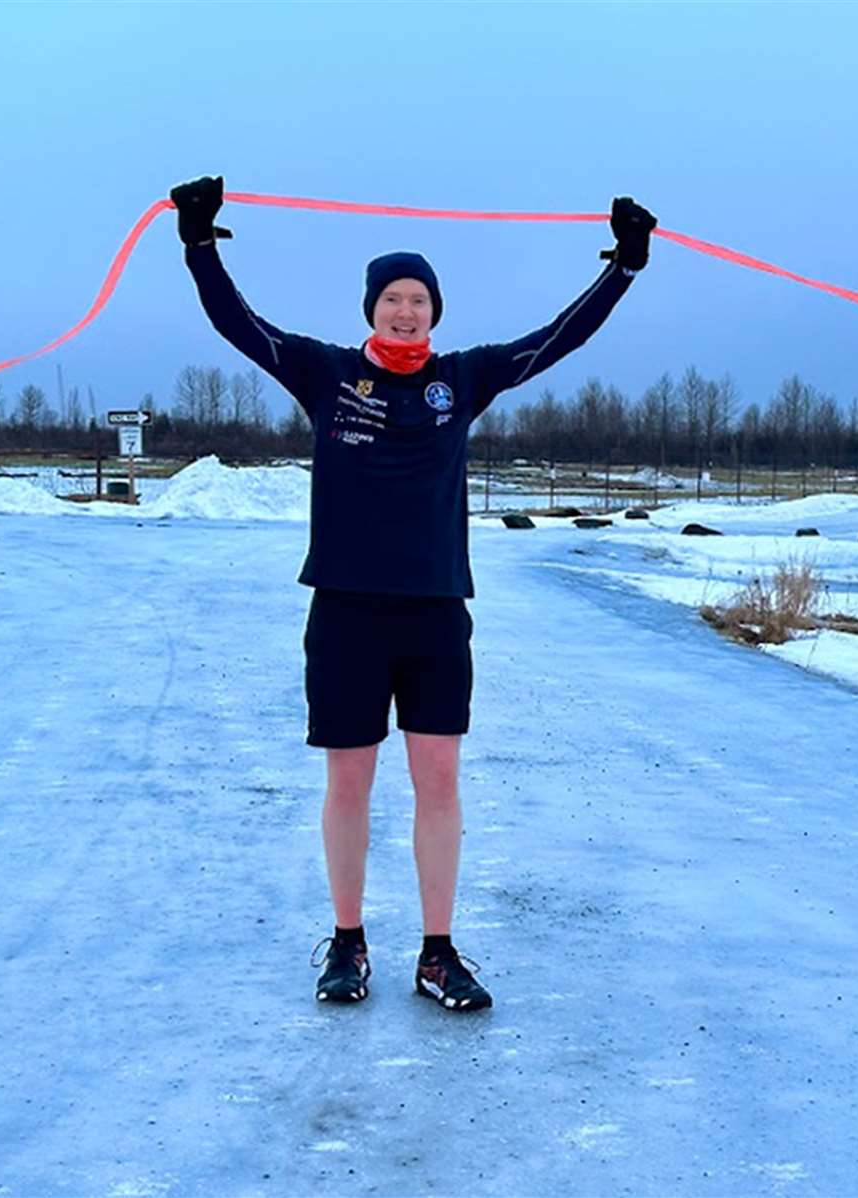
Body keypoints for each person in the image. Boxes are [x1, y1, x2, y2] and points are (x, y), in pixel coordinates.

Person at [170, 175, 656, 1013]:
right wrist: (199, 241)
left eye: (419, 299)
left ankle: (437, 951)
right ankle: (348, 943)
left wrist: (623, 270)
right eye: (392, 298)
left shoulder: (462, 381)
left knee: (438, 778)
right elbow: (236, 325)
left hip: (434, 610)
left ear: (436, 313)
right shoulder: (325, 375)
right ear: (371, 309)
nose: (405, 311)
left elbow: (556, 340)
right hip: (347, 610)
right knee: (349, 781)